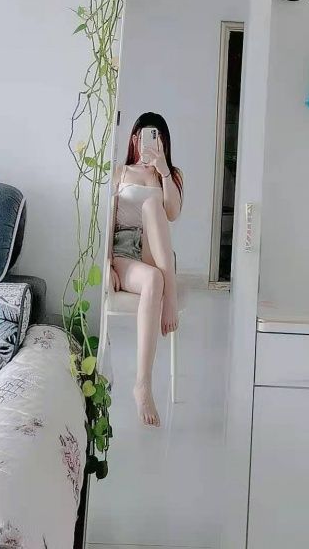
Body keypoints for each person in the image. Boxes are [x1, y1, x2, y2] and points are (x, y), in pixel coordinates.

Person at [110, 112, 183, 426]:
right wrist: (107, 264)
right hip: (124, 251)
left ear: (163, 142)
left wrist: (163, 172)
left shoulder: (171, 174)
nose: (150, 142)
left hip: (154, 250)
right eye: (144, 136)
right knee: (153, 280)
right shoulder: (119, 172)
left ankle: (170, 297)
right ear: (134, 139)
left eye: (157, 136)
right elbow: (106, 222)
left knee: (154, 206)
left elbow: (172, 213)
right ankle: (143, 384)